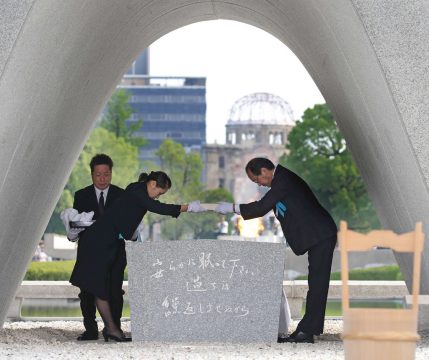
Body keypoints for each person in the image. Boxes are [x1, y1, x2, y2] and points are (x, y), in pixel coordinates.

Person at [70, 170, 205, 342]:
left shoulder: (137, 188)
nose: (158, 196)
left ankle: (111, 328)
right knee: (98, 288)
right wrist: (187, 208)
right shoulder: (139, 193)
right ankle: (112, 329)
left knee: (100, 287)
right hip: (98, 243)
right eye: (160, 192)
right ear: (153, 184)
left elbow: (150, 204)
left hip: (104, 241)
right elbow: (158, 207)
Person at [215, 157, 337, 344]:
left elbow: (261, 207)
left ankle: (307, 331)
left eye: (257, 180)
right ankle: (306, 329)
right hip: (317, 235)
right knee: (316, 282)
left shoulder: (283, 180)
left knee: (318, 283)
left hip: (320, 234)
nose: (259, 185)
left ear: (264, 171)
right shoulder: (280, 182)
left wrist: (232, 208)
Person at [69, 154, 125, 341]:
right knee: (87, 292)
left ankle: (113, 328)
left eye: (106, 174)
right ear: (92, 174)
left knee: (115, 291)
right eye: (98, 175)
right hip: (89, 253)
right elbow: (76, 225)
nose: (102, 179)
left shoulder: (121, 195)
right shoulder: (81, 195)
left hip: (115, 252)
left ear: (111, 174)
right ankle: (90, 330)